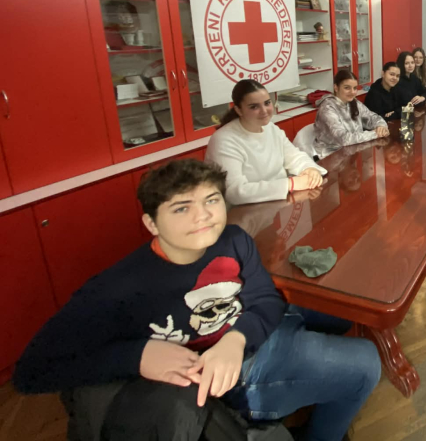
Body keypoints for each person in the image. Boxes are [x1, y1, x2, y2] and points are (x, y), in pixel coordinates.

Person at [13, 159, 381, 441]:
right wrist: (137, 356)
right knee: (366, 363)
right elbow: (31, 372)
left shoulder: (233, 239)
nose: (202, 215)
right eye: (181, 208)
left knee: (339, 313)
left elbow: (265, 299)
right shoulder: (119, 288)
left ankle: (304, 400)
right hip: (229, 379)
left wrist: (236, 339)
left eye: (211, 200)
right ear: (151, 223)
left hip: (243, 338)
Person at [206, 80, 325, 205]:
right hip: (242, 211)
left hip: (277, 204)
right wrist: (290, 184)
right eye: (254, 107)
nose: (264, 111)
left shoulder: (271, 128)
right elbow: (234, 192)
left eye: (267, 103)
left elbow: (294, 156)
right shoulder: (224, 140)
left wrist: (310, 169)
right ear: (238, 110)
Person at [313, 70, 389, 158]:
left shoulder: (354, 102)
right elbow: (344, 139)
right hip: (330, 156)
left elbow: (372, 117)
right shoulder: (327, 108)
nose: (352, 92)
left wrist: (381, 126)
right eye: (347, 88)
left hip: (353, 151)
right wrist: (375, 134)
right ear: (336, 88)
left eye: (355, 88)